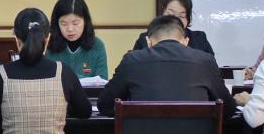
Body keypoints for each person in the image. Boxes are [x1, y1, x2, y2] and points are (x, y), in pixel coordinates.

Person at [97, 14, 236, 116]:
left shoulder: (131, 60)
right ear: (186, 41)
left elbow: (104, 105)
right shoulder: (206, 61)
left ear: (148, 42)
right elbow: (228, 109)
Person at [45, 0, 108, 79]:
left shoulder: (97, 46)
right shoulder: (49, 45)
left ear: (85, 21)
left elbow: (102, 80)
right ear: (57, 24)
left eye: (75, 23)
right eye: (64, 24)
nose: (70, 29)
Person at [133, 0, 214, 56]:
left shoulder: (199, 39)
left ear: (188, 19)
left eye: (181, 16)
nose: (175, 20)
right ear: (163, 12)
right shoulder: (145, 38)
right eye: (170, 14)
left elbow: (210, 67)